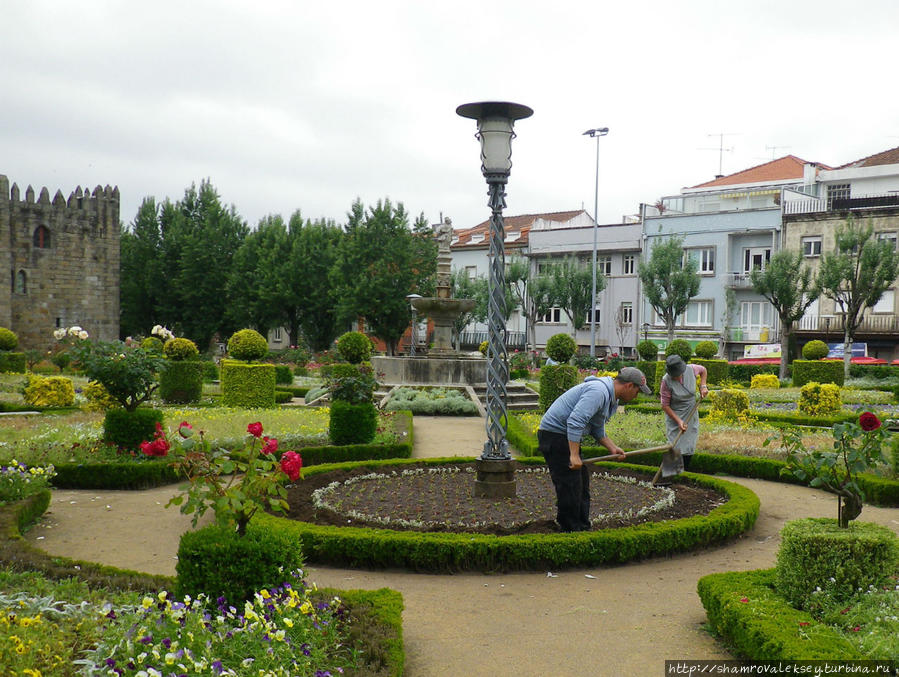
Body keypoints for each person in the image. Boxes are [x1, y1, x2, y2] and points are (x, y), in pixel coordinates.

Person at [537, 367, 652, 532]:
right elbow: (575, 421)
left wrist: (612, 448)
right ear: (628, 386)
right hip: (555, 436)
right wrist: (574, 455)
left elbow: (596, 427)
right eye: (637, 391)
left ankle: (582, 526)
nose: (636, 395)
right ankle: (570, 530)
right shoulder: (598, 392)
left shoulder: (610, 396)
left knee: (581, 483)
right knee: (570, 484)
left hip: (563, 436)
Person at [660, 354, 709, 473]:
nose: (676, 377)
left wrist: (703, 386)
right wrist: (678, 421)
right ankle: (669, 476)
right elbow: (665, 406)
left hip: (691, 411)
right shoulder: (666, 381)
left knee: (689, 443)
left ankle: (684, 474)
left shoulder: (691, 369)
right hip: (675, 413)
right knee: (674, 445)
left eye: (678, 374)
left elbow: (703, 370)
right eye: (674, 375)